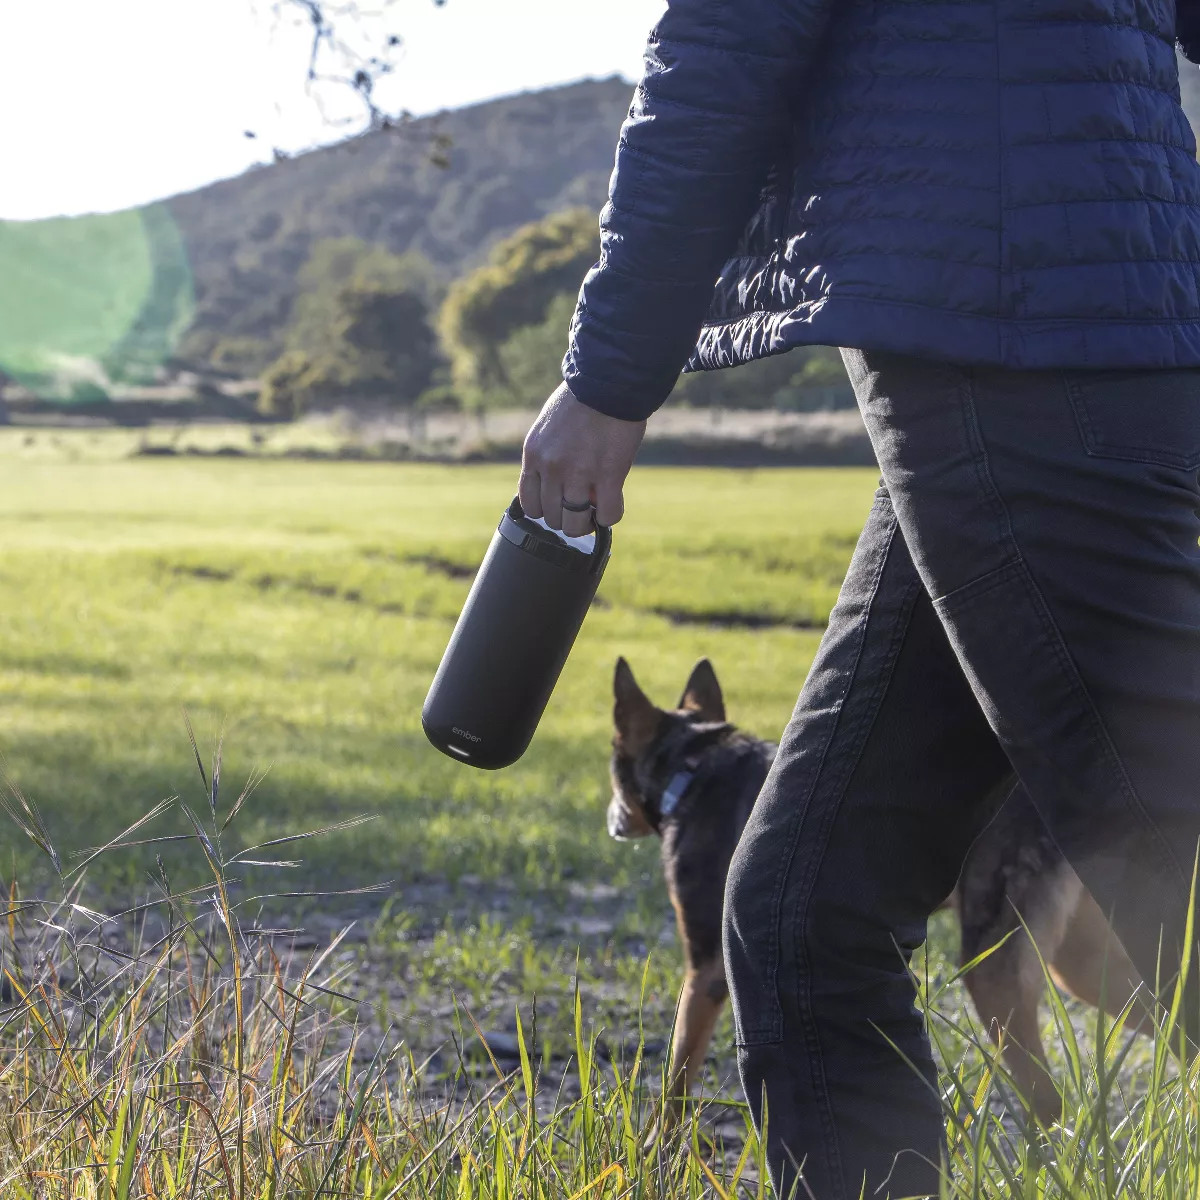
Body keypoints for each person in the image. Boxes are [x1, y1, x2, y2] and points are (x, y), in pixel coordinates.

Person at [518, 2, 1200, 1196]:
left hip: (1006, 314)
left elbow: (725, 47)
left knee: (1168, 871)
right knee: (801, 910)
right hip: (1034, 312)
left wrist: (608, 375)